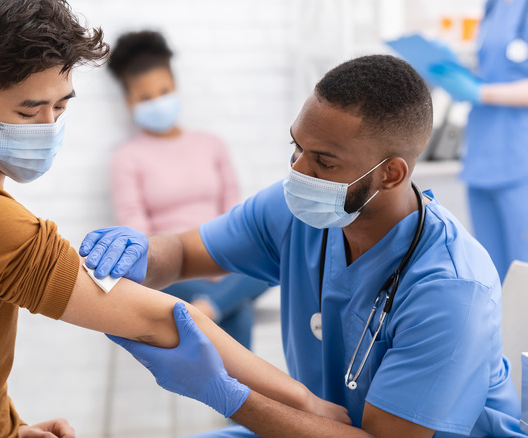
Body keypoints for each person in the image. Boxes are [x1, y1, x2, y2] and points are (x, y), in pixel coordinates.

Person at [0, 1, 368, 437]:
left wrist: (8, 428)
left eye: (60, 107)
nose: (47, 126)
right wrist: (304, 403)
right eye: (27, 111)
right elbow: (164, 320)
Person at [82, 55, 526, 437]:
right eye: (296, 147)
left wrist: (226, 394)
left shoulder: (450, 289)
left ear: (391, 174)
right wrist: (141, 254)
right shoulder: (295, 210)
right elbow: (180, 254)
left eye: (324, 161)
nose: (298, 171)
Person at [106, 30, 270, 349]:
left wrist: (220, 261)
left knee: (272, 257)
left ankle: (205, 311)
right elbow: (136, 233)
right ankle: (248, 393)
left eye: (164, 91)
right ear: (129, 102)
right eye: (145, 97)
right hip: (169, 272)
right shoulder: (126, 158)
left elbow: (233, 214)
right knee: (240, 312)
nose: (158, 102)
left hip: (223, 257)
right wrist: (187, 264)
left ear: (176, 87)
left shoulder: (211, 145)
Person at [424, 0, 528, 282]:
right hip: (483, 157)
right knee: (491, 274)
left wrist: (480, 92)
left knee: (523, 272)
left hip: (519, 159)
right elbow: (493, 70)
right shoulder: (493, 6)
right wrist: (453, 72)